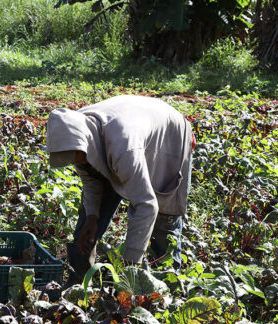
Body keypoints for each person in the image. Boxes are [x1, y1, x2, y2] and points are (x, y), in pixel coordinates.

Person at [44, 95, 194, 283]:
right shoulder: (74, 130)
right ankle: (79, 284)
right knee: (87, 225)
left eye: (80, 159)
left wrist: (129, 266)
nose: (81, 164)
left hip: (169, 138)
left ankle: (168, 287)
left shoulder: (124, 149)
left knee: (164, 224)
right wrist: (92, 217)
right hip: (128, 133)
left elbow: (147, 205)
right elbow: (91, 179)